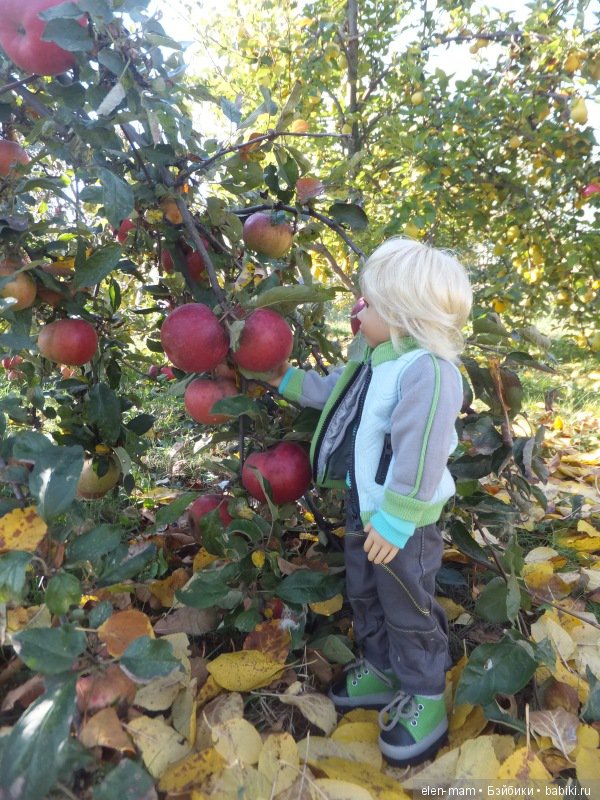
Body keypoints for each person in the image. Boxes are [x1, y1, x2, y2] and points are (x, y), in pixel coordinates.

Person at [266, 236, 472, 767]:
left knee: (407, 603)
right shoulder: (379, 361)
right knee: (365, 591)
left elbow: (420, 455)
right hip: (367, 511)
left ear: (403, 316)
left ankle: (424, 692)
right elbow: (333, 391)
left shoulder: (429, 372)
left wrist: (398, 521)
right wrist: (279, 377)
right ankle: (381, 668)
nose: (359, 310)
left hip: (406, 523)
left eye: (370, 304)